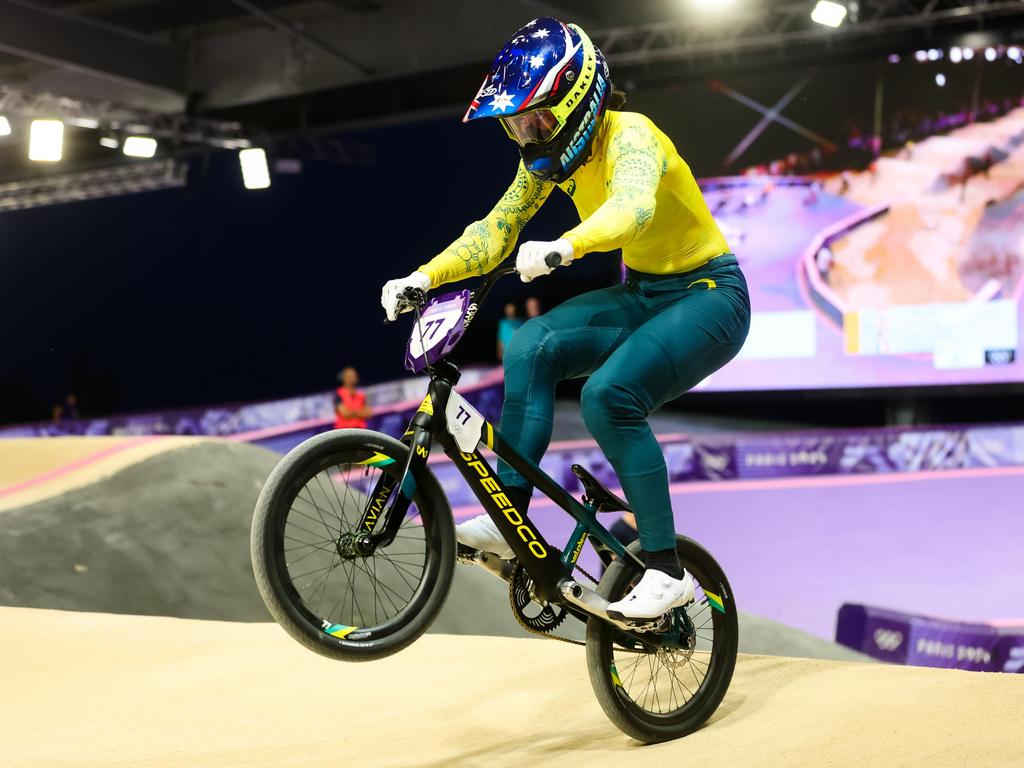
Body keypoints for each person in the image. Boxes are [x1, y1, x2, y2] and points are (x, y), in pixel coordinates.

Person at [380, 17, 750, 619]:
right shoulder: (546, 164)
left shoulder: (632, 135)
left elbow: (632, 207)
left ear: (576, 99)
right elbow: (497, 230)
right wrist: (425, 276)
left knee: (610, 397)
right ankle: (512, 517)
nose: (527, 136)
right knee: (529, 344)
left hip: (711, 295)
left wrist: (568, 246)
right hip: (649, 291)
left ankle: (666, 569)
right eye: (516, 125)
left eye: (536, 119)